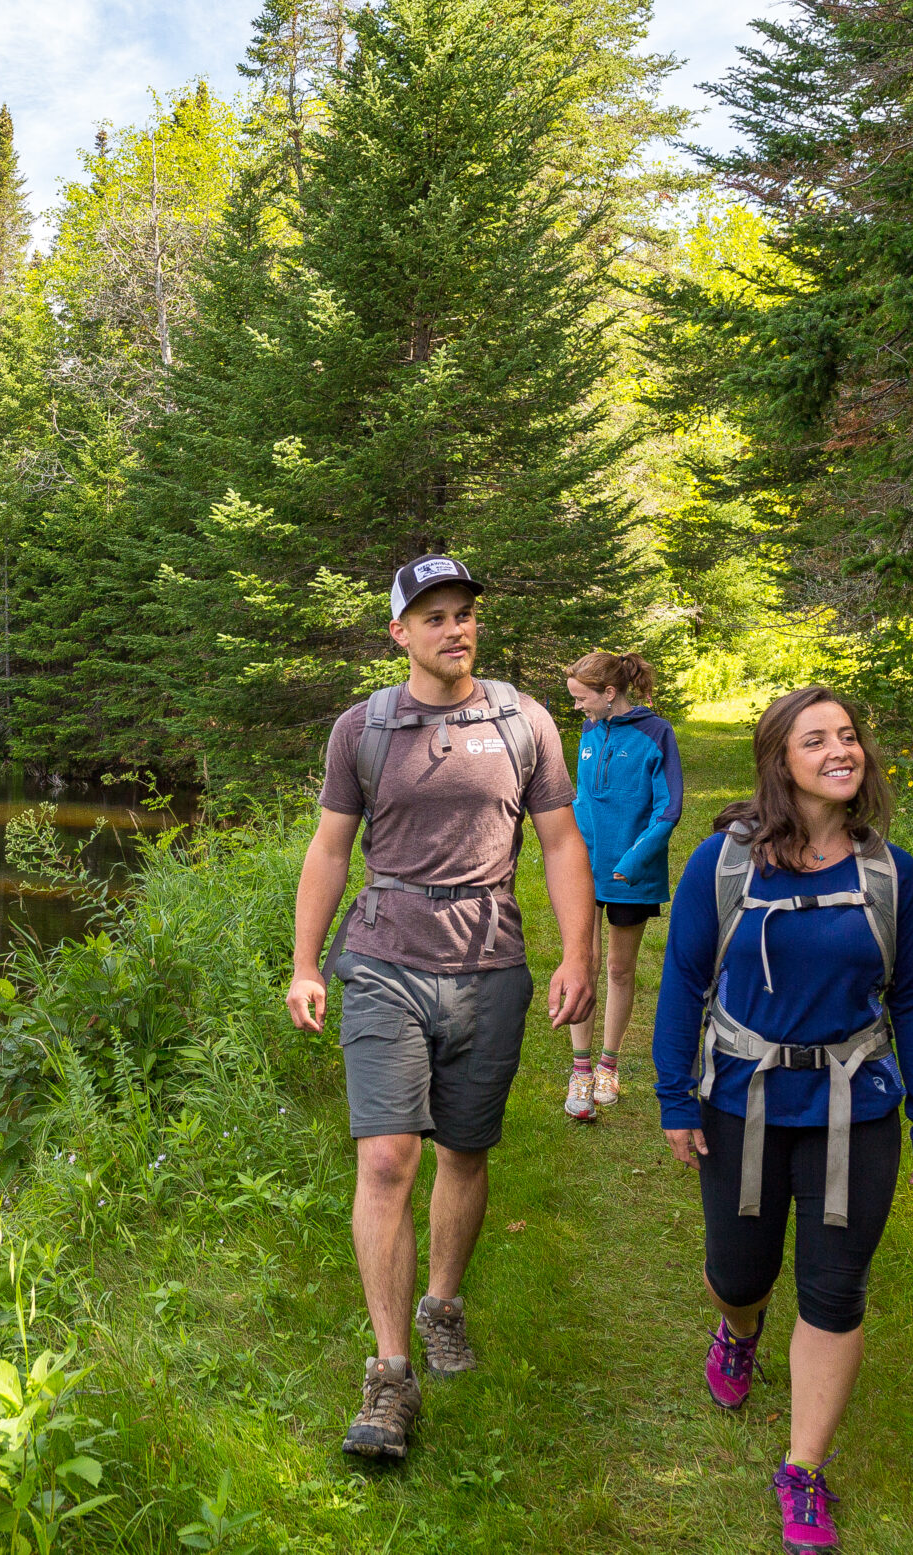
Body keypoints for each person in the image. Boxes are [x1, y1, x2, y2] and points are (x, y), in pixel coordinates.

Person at [284, 554, 597, 1462]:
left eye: (464, 613)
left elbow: (561, 840)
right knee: (387, 1158)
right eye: (433, 617)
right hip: (384, 957)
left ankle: (443, 1305)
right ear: (400, 633)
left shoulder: (523, 718)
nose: (454, 628)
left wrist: (578, 953)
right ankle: (389, 1375)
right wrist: (306, 962)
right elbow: (331, 849)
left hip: (491, 964)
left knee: (466, 1147)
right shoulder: (364, 727)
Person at [652, 685, 913, 1551]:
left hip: (857, 1107)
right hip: (742, 1101)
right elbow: (684, 978)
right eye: (815, 739)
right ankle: (739, 1327)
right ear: (781, 760)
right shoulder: (726, 860)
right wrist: (676, 1095)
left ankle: (803, 1469)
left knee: (834, 1287)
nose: (839, 750)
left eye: (849, 736)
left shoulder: (892, 875)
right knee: (738, 1272)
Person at [562, 650, 682, 1120]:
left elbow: (668, 809)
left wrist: (633, 861)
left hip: (633, 873)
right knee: (582, 964)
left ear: (609, 693)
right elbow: (582, 798)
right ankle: (581, 1069)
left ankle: (610, 1064)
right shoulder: (591, 731)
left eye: (582, 698)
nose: (577, 708)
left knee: (618, 969)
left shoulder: (657, 734)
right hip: (584, 869)